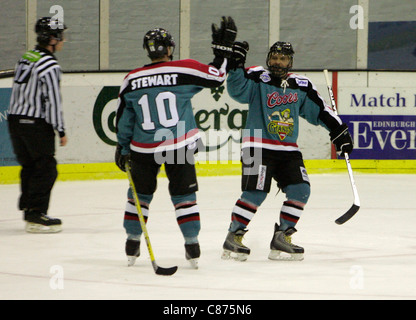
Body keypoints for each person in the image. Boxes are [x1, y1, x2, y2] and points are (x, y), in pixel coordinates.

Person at [115, 17, 237, 268]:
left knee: (139, 196)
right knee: (184, 196)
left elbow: (124, 119)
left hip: (143, 149)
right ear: (169, 48)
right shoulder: (183, 69)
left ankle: (132, 244)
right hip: (178, 146)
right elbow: (217, 77)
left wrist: (123, 147)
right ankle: (192, 246)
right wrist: (222, 53)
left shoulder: (131, 79)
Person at [221, 41, 353, 261]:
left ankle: (282, 236)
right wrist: (235, 66)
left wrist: (339, 131)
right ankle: (233, 235)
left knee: (301, 190)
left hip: (288, 149)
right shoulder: (256, 77)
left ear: (290, 61)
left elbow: (320, 110)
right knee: (255, 192)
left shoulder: (300, 84)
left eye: (283, 58)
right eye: (274, 57)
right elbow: (236, 91)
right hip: (257, 146)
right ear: (268, 58)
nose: (277, 62)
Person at [7, 17, 67, 233]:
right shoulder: (50, 65)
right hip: (35, 123)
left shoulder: (26, 57)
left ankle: (28, 206)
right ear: (53, 38)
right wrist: (60, 129)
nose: (64, 40)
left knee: (31, 166)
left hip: (15, 121)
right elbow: (52, 99)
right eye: (61, 36)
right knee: (47, 168)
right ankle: (36, 215)